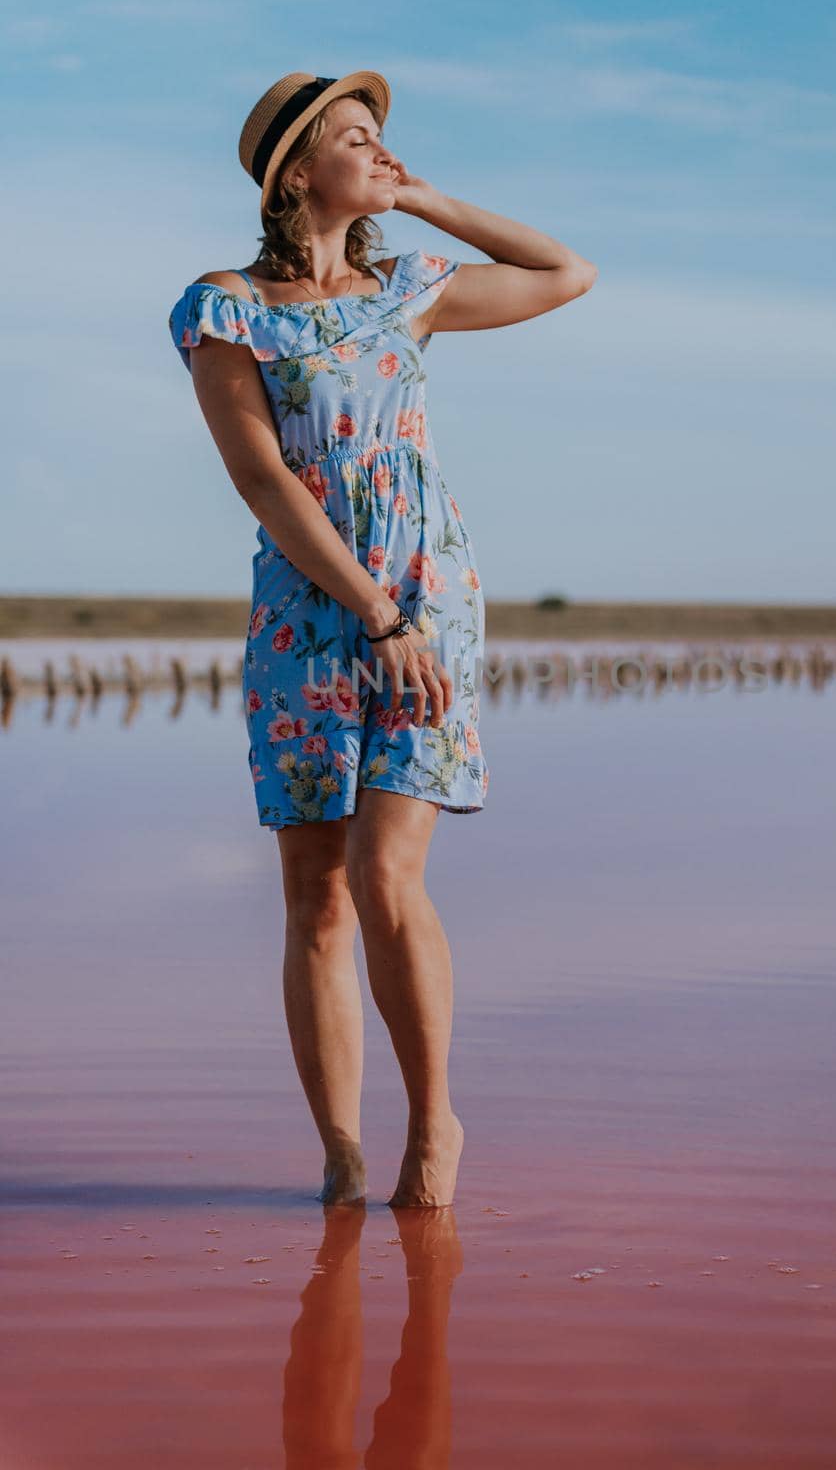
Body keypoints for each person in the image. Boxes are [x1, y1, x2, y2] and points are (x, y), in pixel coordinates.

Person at [167, 69, 597, 1208]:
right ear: (298, 170)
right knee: (314, 891)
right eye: (358, 140)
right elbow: (262, 476)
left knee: (385, 869)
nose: (382, 152)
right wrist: (367, 608)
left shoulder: (408, 288)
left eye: (385, 139)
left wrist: (425, 197)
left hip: (427, 594)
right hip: (314, 610)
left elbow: (567, 272)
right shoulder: (225, 306)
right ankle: (343, 1151)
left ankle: (432, 1122)